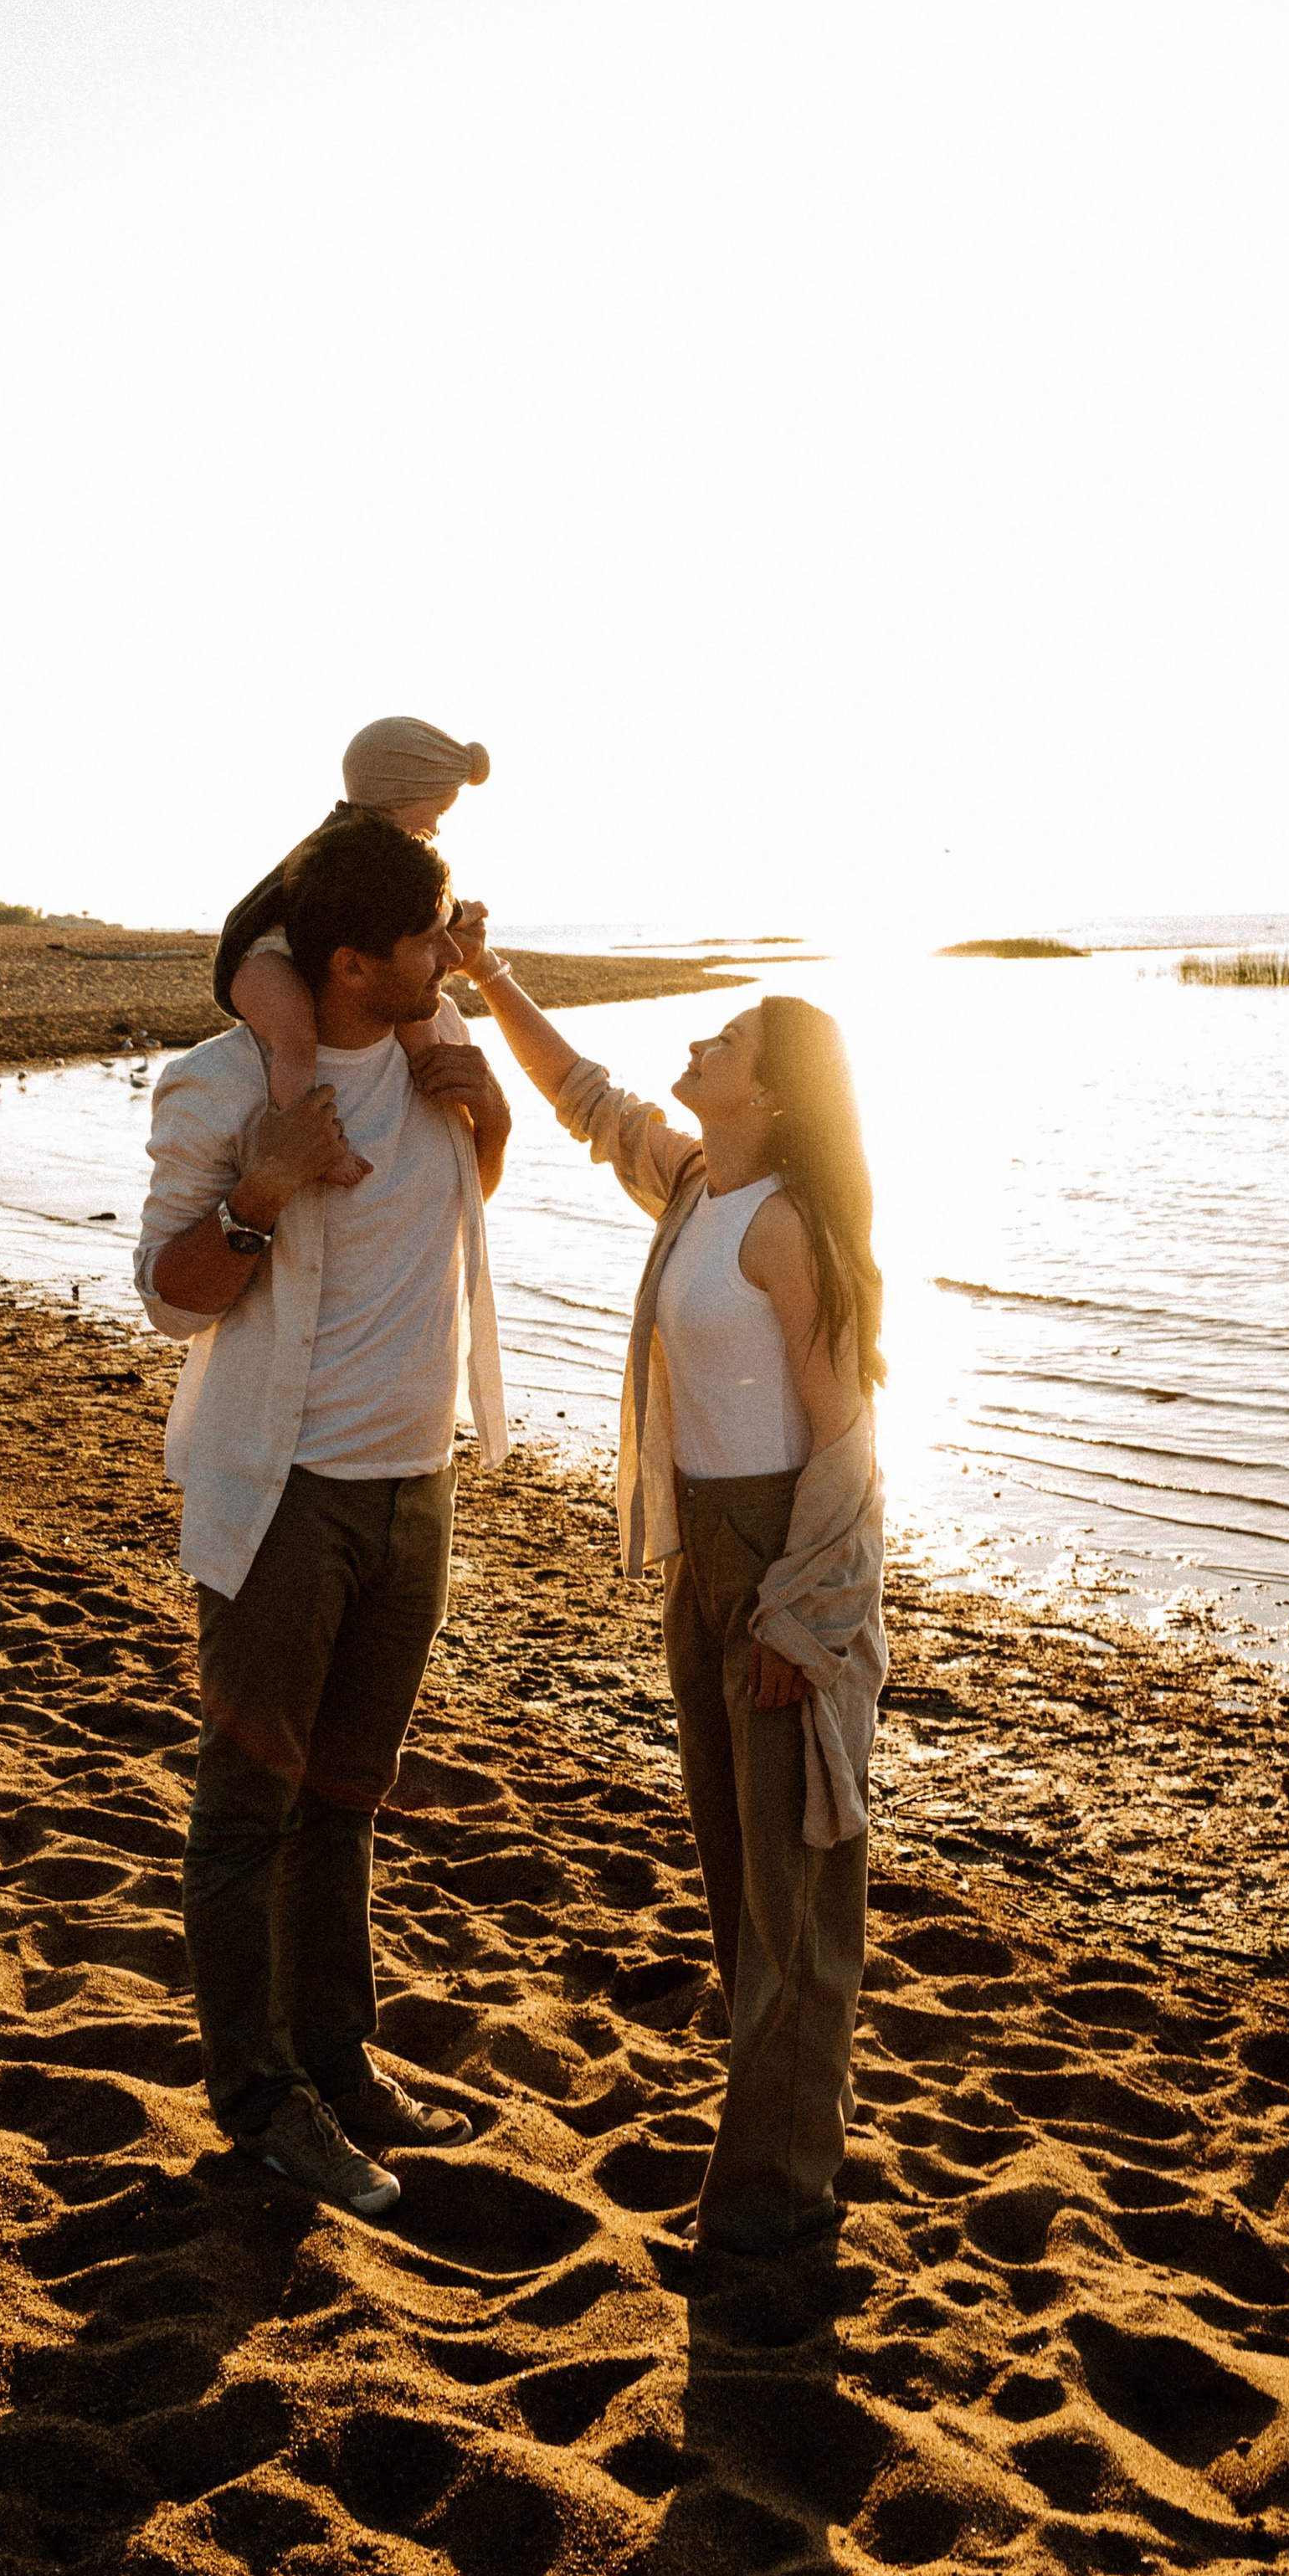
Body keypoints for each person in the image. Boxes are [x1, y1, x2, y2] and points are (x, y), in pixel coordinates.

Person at [470, 945, 886, 2255]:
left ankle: (785, 2198)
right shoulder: (701, 1181)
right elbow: (585, 1098)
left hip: (780, 1566)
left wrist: (801, 1615)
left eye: (723, 1043)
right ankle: (764, 2163)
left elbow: (848, 1436)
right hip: (704, 1556)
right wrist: (486, 977)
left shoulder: (785, 1228)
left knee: (797, 1897)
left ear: (768, 1092)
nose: (696, 1052)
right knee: (734, 1874)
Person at [136, 813, 511, 2220]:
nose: (452, 948)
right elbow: (171, 1295)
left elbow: (454, 1210)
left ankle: (338, 2058)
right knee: (248, 1809)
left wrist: (497, 1112)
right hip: (283, 1500)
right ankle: (261, 2099)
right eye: (429, 938)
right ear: (355, 962)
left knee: (347, 1802)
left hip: (418, 1487)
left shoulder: (435, 1047)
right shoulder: (225, 1083)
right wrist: (261, 1189)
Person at [213, 716, 490, 1181]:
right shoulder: (353, 843)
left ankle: (430, 1079)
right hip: (258, 952)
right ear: (397, 795)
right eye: (437, 813)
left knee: (408, 999)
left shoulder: (385, 843)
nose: (437, 829)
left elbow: (411, 905)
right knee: (297, 1039)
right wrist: (459, 913)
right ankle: (311, 1144)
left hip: (306, 940)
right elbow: (395, 896)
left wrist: (455, 917)